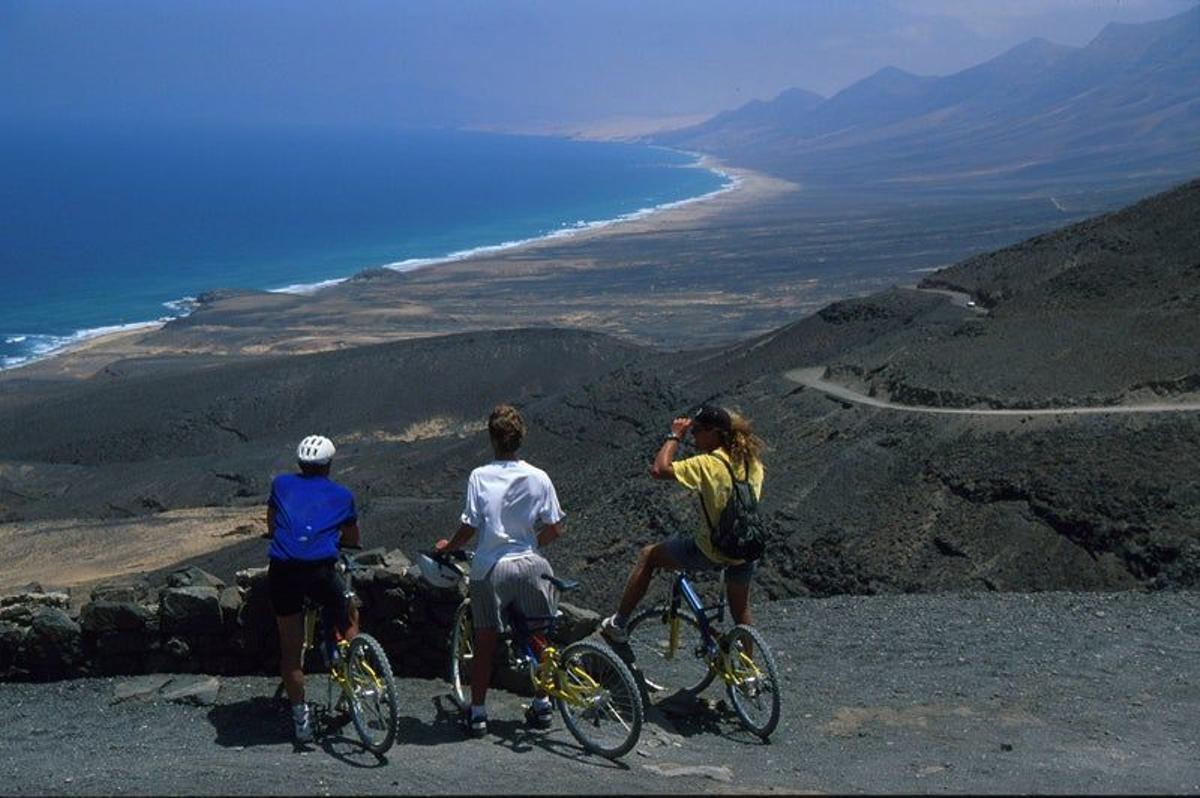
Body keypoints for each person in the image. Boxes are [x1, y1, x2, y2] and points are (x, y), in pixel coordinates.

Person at [435, 404, 565, 738]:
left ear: (492, 438)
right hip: (533, 565)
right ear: (520, 438)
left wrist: (447, 547)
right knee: (540, 637)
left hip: (492, 568)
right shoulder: (540, 477)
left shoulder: (480, 476)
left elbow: (469, 527)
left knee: (486, 640)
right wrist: (529, 545)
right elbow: (554, 529)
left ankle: (478, 714)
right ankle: (543, 705)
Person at [600, 404, 764, 644]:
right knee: (740, 611)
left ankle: (618, 624)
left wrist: (675, 435)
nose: (694, 435)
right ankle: (750, 673)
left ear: (714, 432)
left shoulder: (708, 463)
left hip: (713, 548)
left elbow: (659, 469)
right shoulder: (753, 464)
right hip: (747, 547)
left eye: (697, 430)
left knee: (649, 556)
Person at [266, 434, 361, 744]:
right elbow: (352, 536)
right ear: (329, 465)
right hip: (319, 572)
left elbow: (272, 524)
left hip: (283, 571)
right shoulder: (342, 495)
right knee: (347, 610)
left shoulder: (280, 484)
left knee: (290, 651)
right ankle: (352, 675)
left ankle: (300, 720)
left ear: (300, 463)